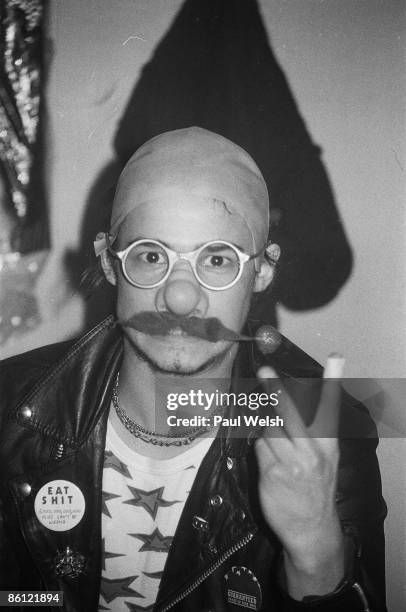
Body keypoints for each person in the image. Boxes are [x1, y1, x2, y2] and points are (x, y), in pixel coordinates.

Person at [0, 128, 386, 611]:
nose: (179, 298)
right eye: (150, 255)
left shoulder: (323, 432)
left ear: (262, 270)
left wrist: (314, 550)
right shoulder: (9, 407)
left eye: (218, 259)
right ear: (109, 262)